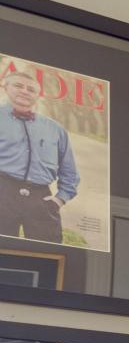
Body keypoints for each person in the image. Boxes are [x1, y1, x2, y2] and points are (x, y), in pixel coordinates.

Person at [0, 68, 79, 245]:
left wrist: (59, 199)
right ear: (6, 87)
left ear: (38, 95)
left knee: (48, 254)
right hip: (2, 192)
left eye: (31, 89)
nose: (24, 91)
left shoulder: (55, 129)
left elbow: (70, 172)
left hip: (42, 198)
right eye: (18, 85)